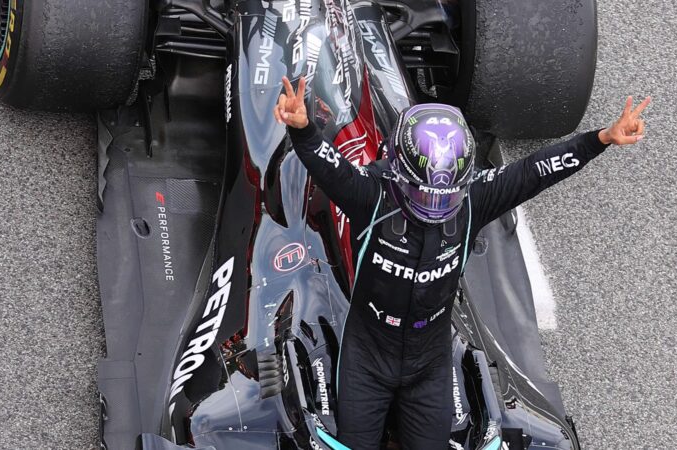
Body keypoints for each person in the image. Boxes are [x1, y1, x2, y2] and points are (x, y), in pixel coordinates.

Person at [274, 76, 650, 450]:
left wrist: (600, 139)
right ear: (400, 174)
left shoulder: (475, 199)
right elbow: (328, 166)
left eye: (446, 195)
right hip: (367, 355)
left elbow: (537, 170)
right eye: (425, 192)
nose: (436, 205)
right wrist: (303, 129)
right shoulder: (370, 194)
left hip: (430, 359)